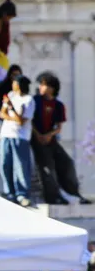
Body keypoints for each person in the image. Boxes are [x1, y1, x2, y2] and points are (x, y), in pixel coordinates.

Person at [31, 71, 90, 205]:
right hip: (36, 140)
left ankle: (73, 192)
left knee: (67, 162)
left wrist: (49, 135)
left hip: (50, 140)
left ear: (51, 88)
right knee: (47, 166)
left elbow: (58, 127)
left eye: (43, 85)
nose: (40, 87)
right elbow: (30, 121)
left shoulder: (58, 105)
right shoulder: (35, 101)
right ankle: (53, 196)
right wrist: (38, 135)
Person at [0, 74, 35, 205]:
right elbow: (1, 113)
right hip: (6, 134)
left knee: (20, 166)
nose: (12, 84)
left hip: (20, 137)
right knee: (5, 164)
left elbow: (21, 121)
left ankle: (22, 194)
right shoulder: (10, 95)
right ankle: (9, 193)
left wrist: (12, 109)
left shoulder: (29, 100)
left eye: (14, 83)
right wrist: (11, 116)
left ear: (19, 85)